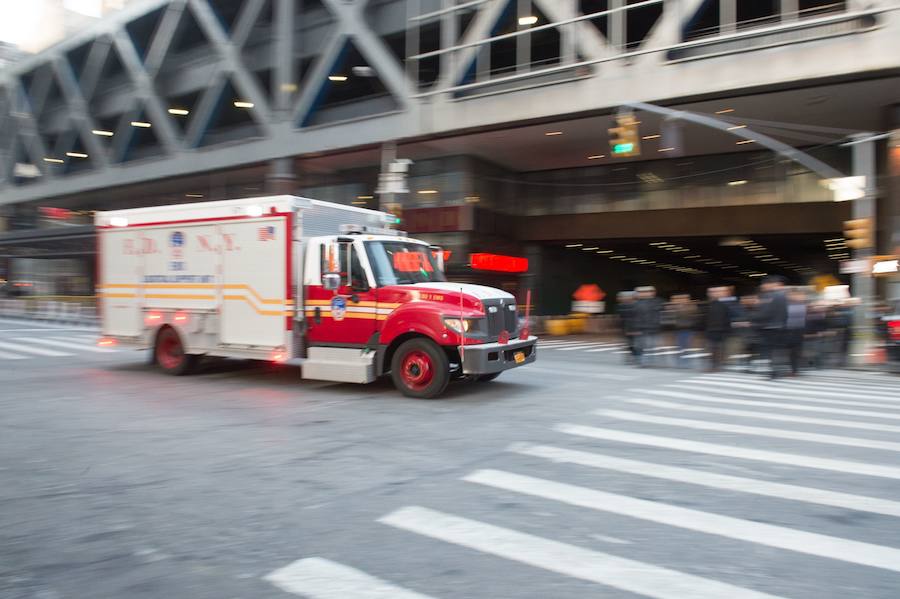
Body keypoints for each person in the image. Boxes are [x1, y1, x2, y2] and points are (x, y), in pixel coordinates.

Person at [757, 275, 788, 378]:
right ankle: (777, 370)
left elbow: (766, 312)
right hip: (780, 326)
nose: (763, 287)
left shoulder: (770, 296)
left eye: (764, 285)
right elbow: (785, 313)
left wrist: (755, 320)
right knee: (777, 349)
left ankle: (774, 371)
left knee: (772, 350)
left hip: (771, 327)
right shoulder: (783, 295)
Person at [632, 286, 663, 367]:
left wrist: (658, 325)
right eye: (642, 292)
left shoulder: (657, 302)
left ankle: (648, 362)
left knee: (650, 346)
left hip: (653, 328)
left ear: (653, 292)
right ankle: (642, 362)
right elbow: (635, 317)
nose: (645, 293)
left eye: (648, 292)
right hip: (641, 329)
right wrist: (635, 328)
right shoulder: (637, 303)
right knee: (639, 346)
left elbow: (659, 315)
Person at [704, 286, 733, 372]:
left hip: (720, 331)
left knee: (718, 349)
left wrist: (727, 331)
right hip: (711, 331)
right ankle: (714, 366)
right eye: (711, 292)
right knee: (713, 349)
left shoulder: (724, 305)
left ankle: (717, 366)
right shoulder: (708, 305)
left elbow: (727, 319)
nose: (713, 294)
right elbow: (705, 319)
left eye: (715, 292)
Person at [668, 294, 699, 367]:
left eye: (684, 298)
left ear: (688, 299)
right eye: (681, 299)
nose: (682, 300)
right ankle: (680, 362)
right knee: (679, 347)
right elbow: (672, 318)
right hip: (679, 330)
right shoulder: (675, 308)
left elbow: (694, 316)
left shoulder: (691, 307)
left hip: (689, 330)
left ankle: (687, 362)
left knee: (687, 347)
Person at [784, 288, 809, 376]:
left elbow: (806, 320)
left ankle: (795, 370)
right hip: (789, 331)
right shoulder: (787, 305)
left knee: (795, 352)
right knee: (792, 352)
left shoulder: (804, 305)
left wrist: (806, 332)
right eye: (790, 295)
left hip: (798, 331)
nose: (792, 296)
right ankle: (794, 369)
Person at [617, 291, 639, 364]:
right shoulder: (622, 306)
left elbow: (636, 318)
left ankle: (636, 358)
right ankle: (632, 358)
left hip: (634, 328)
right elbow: (621, 318)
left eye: (629, 297)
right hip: (626, 328)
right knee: (630, 345)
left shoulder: (636, 305)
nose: (626, 298)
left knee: (634, 344)